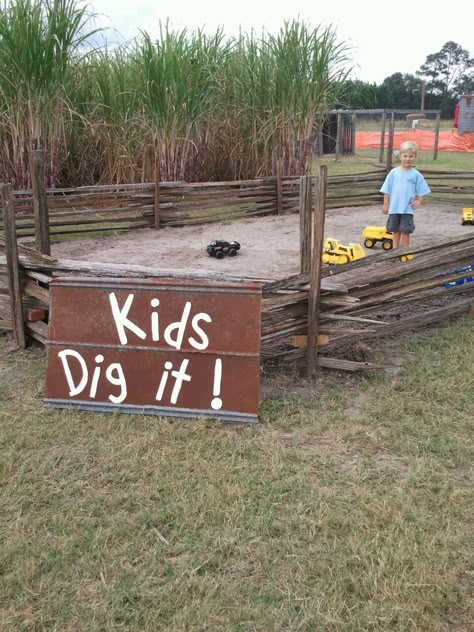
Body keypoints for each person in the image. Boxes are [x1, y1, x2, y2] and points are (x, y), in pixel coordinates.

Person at [380, 141, 431, 250]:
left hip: (407, 209)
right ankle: (394, 250)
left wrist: (419, 201)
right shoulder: (393, 173)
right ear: (400, 156)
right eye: (405, 156)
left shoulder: (416, 175)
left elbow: (423, 189)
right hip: (394, 208)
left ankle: (405, 251)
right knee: (395, 230)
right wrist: (385, 204)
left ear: (415, 157)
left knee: (405, 231)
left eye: (411, 156)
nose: (408, 159)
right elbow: (386, 190)